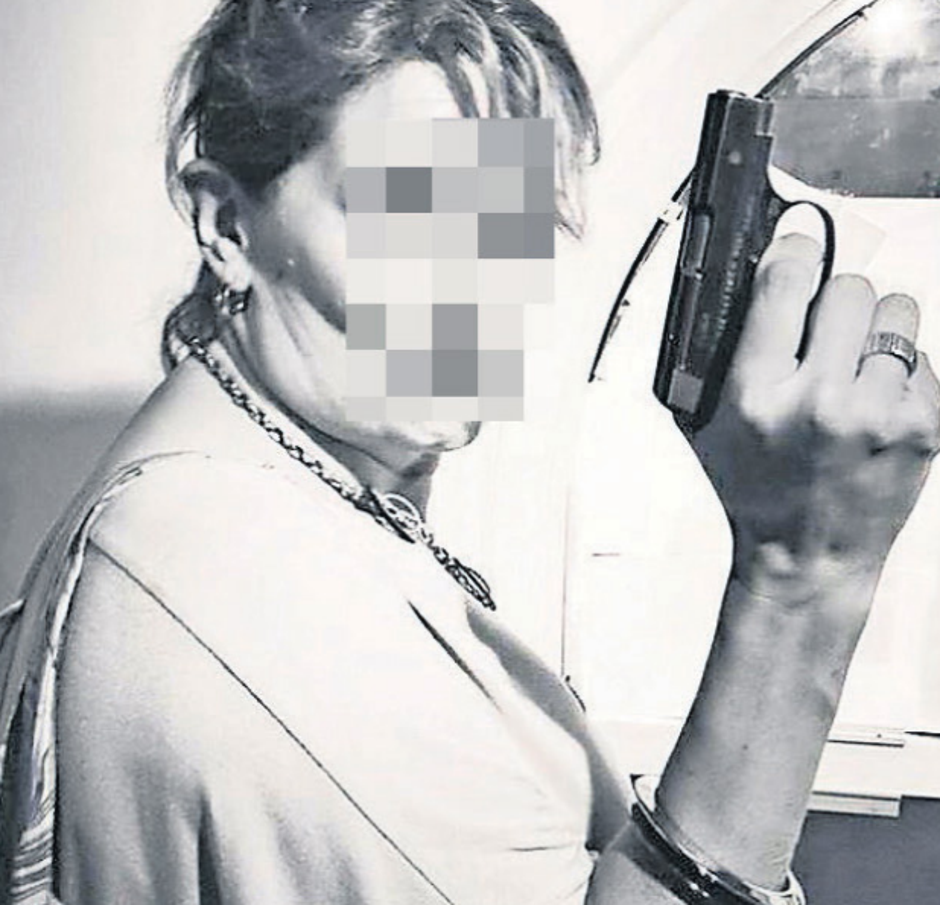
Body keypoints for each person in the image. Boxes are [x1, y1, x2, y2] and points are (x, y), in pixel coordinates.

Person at [1, 0, 937, 903]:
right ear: (228, 227)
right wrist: (801, 580)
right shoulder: (249, 578)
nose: (475, 286)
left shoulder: (283, 496)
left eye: (509, 221)